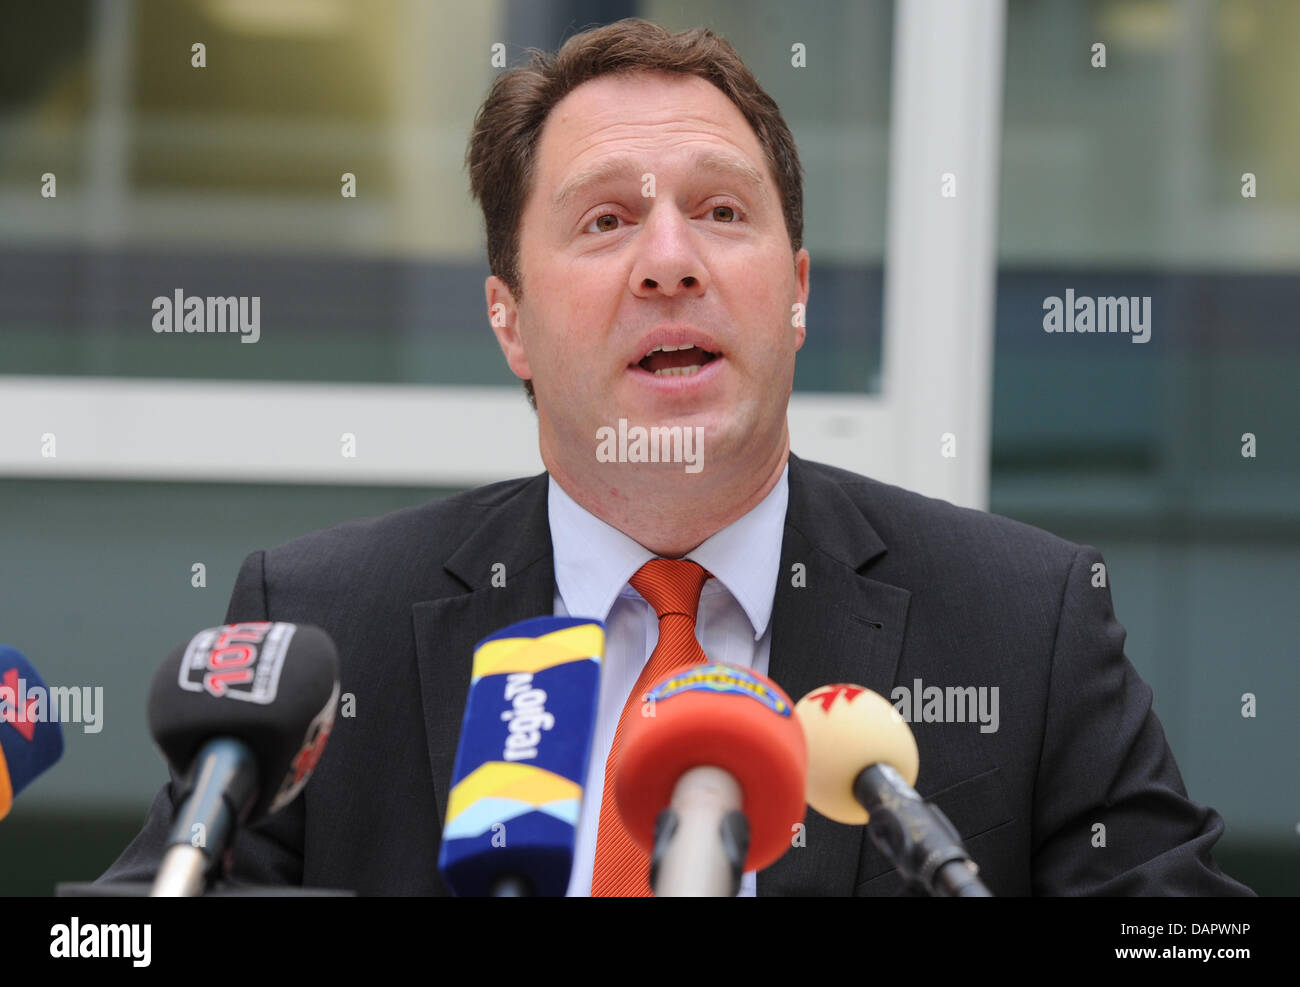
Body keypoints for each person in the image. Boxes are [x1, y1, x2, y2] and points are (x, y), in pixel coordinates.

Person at [100, 18, 1252, 896]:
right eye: (605, 221)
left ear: (795, 295)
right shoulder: (321, 629)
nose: (669, 262)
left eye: (721, 212)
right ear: (508, 319)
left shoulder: (1023, 623)